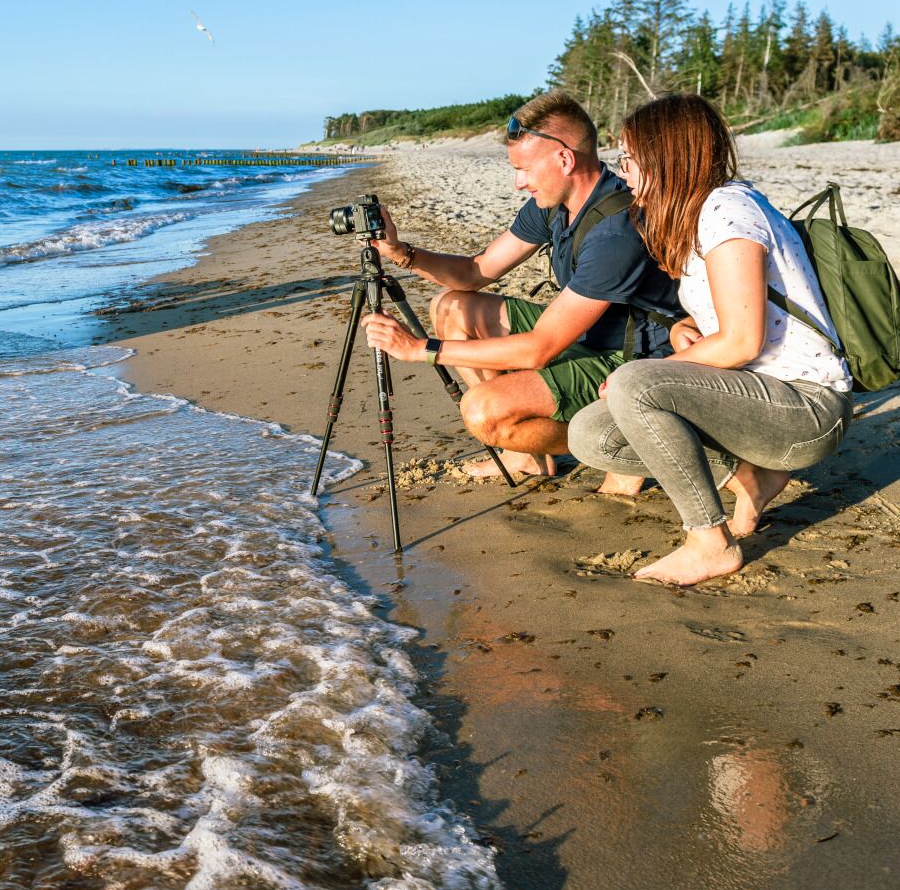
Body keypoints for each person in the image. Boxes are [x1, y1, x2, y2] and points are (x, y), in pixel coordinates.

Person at [568, 93, 855, 586]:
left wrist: (643, 376)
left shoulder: (729, 214)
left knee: (635, 384)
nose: (624, 171)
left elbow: (742, 342)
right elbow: (728, 321)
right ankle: (753, 477)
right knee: (592, 433)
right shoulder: (704, 212)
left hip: (807, 408)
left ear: (667, 158)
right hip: (757, 400)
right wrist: (683, 328)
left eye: (630, 159)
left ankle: (710, 543)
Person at [360, 91, 680, 487]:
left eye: (524, 169)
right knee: (451, 306)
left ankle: (626, 446)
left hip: (632, 361)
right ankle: (528, 457)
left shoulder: (616, 230)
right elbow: (477, 271)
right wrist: (402, 253)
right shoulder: (554, 205)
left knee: (483, 412)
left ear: (564, 160)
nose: (518, 183)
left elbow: (539, 348)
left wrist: (419, 351)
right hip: (584, 337)